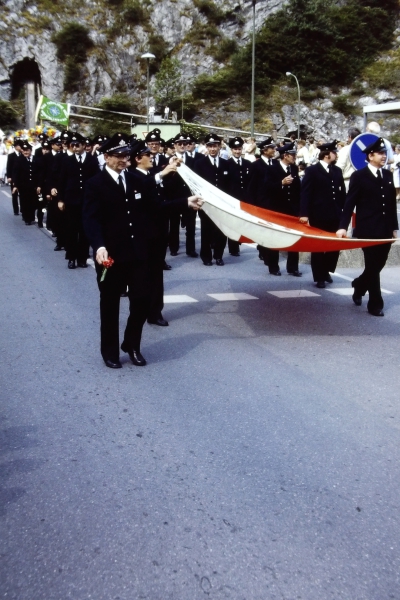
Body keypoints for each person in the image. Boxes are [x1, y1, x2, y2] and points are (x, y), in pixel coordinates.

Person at [83, 134, 203, 369]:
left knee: (141, 300)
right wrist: (99, 246)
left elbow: (157, 208)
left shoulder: (139, 180)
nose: (123, 160)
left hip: (138, 252)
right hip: (111, 255)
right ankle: (110, 352)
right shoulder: (95, 184)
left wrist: (184, 202)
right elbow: (91, 220)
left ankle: (132, 344)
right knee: (109, 304)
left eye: (126, 156)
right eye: (118, 156)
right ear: (106, 157)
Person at [336, 137, 398, 317]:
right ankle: (375, 304)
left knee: (378, 264)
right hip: (368, 229)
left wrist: (394, 227)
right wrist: (342, 226)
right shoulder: (359, 176)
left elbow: (392, 204)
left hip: (385, 229)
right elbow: (349, 203)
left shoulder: (387, 175)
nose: (384, 156)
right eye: (380, 153)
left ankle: (359, 285)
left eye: (385, 153)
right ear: (370, 156)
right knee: (373, 264)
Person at [299, 140, 346, 288]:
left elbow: (342, 193)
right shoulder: (312, 170)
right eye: (334, 152)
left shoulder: (337, 171)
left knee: (334, 245)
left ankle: (326, 270)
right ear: (326, 154)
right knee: (319, 246)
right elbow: (306, 193)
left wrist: (345, 211)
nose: (336, 154)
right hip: (318, 214)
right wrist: (304, 213)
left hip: (335, 214)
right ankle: (319, 276)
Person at [58, 132, 99, 269]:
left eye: (78, 145)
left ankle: (82, 257)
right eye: (73, 145)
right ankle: (71, 257)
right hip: (71, 200)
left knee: (84, 230)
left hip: (87, 200)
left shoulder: (92, 160)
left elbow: (97, 180)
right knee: (71, 230)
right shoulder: (67, 160)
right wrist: (60, 199)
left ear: (83, 145)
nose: (75, 147)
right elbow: (62, 181)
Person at [262, 142, 302, 276]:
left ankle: (293, 267)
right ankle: (273, 266)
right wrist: (281, 183)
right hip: (277, 208)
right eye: (292, 155)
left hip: (292, 209)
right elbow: (266, 188)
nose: (294, 157)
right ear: (285, 155)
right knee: (274, 238)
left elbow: (298, 190)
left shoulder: (294, 169)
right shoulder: (272, 168)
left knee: (294, 238)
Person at [193, 133, 232, 266]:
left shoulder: (226, 164)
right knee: (206, 231)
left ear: (219, 147)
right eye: (210, 146)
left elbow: (229, 185)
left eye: (215, 146)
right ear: (206, 147)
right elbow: (195, 185)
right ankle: (206, 256)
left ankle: (219, 255)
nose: (212, 149)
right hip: (206, 203)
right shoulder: (199, 164)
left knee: (221, 231)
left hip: (221, 204)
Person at [227, 136, 252, 257]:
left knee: (244, 222)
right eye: (235, 149)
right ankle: (233, 247)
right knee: (233, 223)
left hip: (245, 198)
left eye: (239, 149)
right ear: (231, 150)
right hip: (232, 199)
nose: (237, 151)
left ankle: (241, 241)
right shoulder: (227, 164)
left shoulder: (247, 164)